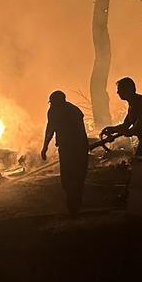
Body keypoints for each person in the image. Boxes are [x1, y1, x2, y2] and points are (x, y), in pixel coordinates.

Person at [42, 90, 89, 218]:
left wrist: (45, 147)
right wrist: (45, 147)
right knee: (70, 178)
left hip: (73, 149)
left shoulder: (70, 112)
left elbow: (79, 131)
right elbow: (50, 129)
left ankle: (74, 206)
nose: (51, 105)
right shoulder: (58, 111)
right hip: (69, 148)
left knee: (74, 178)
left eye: (53, 103)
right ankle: (74, 203)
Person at [103, 77, 142, 157]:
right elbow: (125, 125)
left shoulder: (141, 103)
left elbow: (140, 126)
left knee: (140, 161)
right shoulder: (133, 104)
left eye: (120, 89)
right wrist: (112, 129)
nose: (117, 92)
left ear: (128, 90)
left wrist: (127, 132)